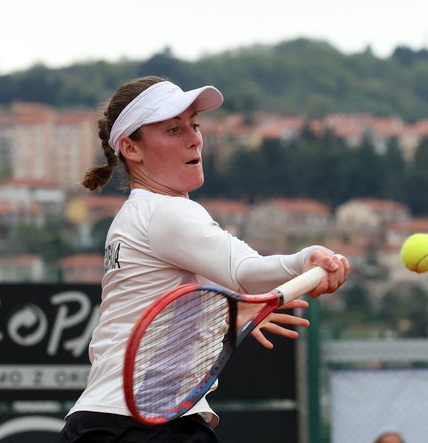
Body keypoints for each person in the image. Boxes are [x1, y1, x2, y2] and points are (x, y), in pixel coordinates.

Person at [59, 76, 350, 442]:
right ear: (132, 149)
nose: (194, 138)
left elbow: (161, 302)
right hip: (144, 427)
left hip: (100, 424)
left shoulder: (134, 215)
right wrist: (305, 259)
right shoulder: (168, 212)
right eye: (173, 130)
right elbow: (245, 272)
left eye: (194, 125)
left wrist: (219, 317)